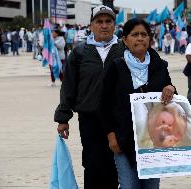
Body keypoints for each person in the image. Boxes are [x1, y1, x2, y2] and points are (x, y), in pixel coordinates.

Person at [99, 18, 176, 189]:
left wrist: (171, 87)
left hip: (153, 141)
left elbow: (171, 95)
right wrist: (111, 136)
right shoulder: (116, 66)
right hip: (123, 140)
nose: (140, 38)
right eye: (134, 35)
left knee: (151, 186)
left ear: (150, 39)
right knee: (129, 186)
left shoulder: (159, 66)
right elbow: (103, 104)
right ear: (125, 40)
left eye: (144, 34)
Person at [54, 5, 123, 189]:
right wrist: (63, 118)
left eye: (108, 21)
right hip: (89, 119)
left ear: (114, 25)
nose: (104, 26)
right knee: (92, 164)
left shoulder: (124, 50)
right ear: (91, 25)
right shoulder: (79, 52)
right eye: (99, 22)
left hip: (118, 120)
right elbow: (68, 86)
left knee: (115, 164)